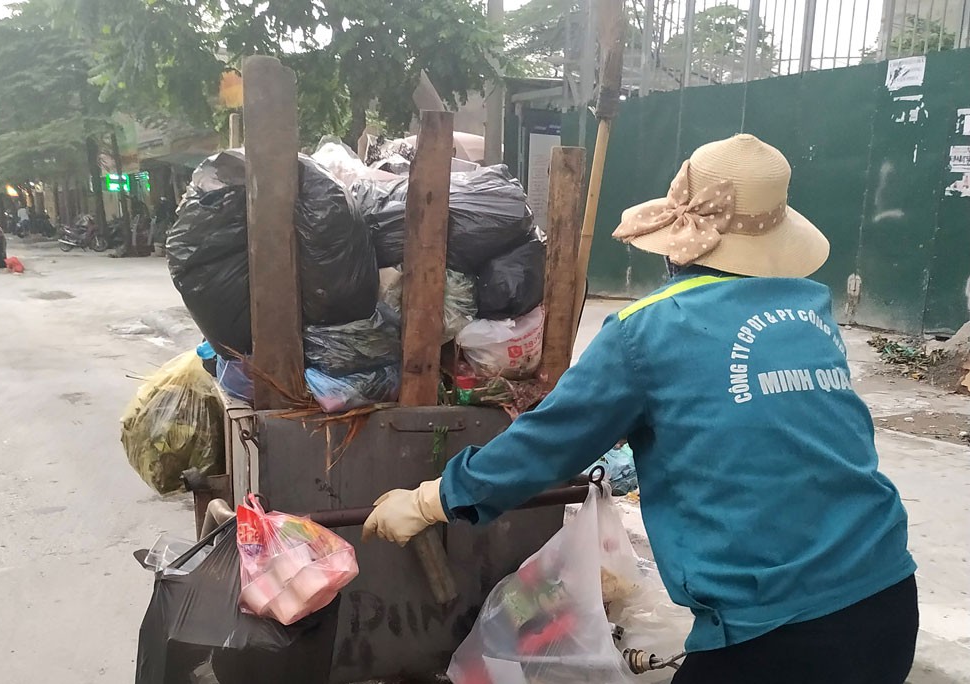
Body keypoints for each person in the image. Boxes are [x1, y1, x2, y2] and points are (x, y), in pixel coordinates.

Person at [362, 134, 918, 684]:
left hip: (774, 625)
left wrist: (435, 498)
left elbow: (548, 441)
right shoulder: (810, 311)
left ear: (682, 239)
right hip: (886, 591)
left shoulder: (650, 329)